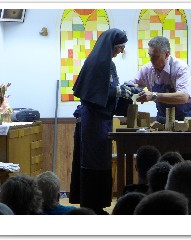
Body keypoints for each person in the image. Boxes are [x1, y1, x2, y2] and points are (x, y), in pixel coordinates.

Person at [128, 36, 191, 210]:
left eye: (154, 56)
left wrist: (154, 95)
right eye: (149, 55)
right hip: (165, 121)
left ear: (166, 54)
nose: (151, 59)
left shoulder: (181, 68)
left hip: (190, 119)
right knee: (166, 162)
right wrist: (129, 89)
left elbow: (184, 96)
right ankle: (169, 205)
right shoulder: (148, 69)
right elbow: (132, 83)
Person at [72, 28, 139, 215]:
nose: (121, 51)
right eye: (120, 47)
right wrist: (117, 91)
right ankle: (91, 205)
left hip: (103, 120)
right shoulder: (96, 62)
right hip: (93, 120)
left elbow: (109, 89)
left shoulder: (109, 64)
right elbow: (93, 93)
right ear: (112, 44)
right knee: (93, 161)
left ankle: (99, 203)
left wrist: (124, 90)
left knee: (102, 162)